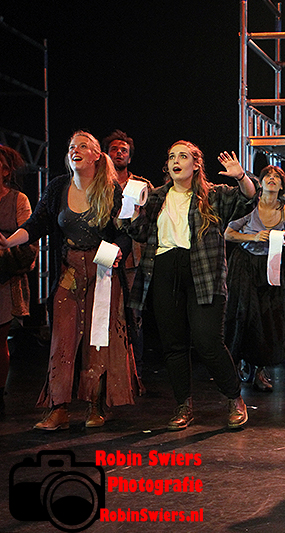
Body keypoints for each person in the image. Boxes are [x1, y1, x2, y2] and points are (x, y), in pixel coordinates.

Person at [0, 131, 139, 429]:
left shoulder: (111, 190)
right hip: (70, 271)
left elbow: (125, 233)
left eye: (83, 146)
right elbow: (36, 224)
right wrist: (10, 241)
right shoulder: (58, 188)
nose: (75, 150)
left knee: (97, 339)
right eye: (72, 147)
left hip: (102, 271)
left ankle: (95, 406)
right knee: (62, 338)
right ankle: (58, 408)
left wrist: (118, 250)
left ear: (96, 155)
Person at [125, 141, 257, 430]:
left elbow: (248, 198)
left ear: (196, 164)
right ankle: (183, 405)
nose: (175, 161)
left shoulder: (213, 196)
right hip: (164, 271)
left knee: (208, 342)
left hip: (203, 273)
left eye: (182, 156)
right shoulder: (156, 197)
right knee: (173, 345)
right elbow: (139, 232)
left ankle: (234, 397)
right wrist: (133, 210)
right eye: (171, 156)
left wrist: (240, 176)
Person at [224, 165, 285, 393]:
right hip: (245, 264)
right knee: (242, 314)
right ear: (261, 182)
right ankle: (235, 365)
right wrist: (254, 237)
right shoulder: (250, 206)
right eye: (268, 176)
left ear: (282, 186)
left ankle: (259, 370)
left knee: (267, 318)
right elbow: (228, 233)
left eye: (277, 177)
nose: (272, 179)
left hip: (270, 266)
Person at [102, 130, 152, 388]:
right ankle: (105, 372)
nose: (119, 153)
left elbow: (153, 219)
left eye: (124, 150)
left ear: (130, 157)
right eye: (114, 149)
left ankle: (136, 373)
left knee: (133, 317)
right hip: (103, 256)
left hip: (134, 260)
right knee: (104, 313)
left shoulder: (141, 185)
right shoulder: (98, 183)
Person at [0, 146, 36, 412]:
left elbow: (29, 244)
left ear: (5, 170)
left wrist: (5, 245)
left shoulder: (17, 200)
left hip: (5, 278)